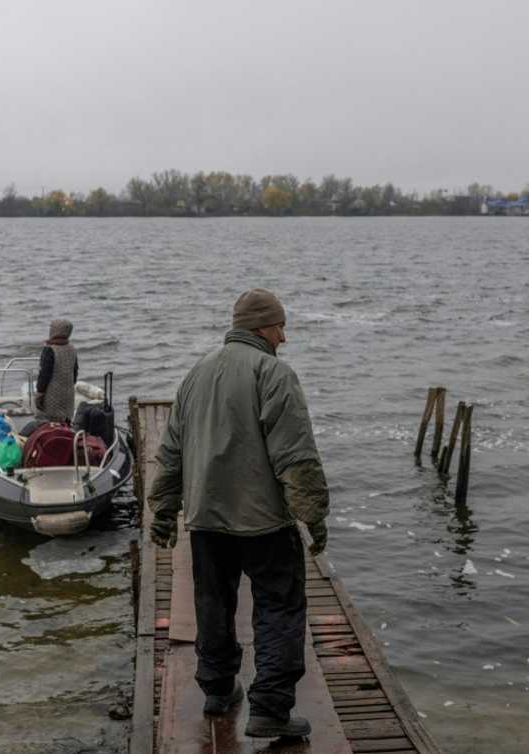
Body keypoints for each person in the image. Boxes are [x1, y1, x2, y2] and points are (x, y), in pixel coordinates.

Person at [147, 288, 330, 740]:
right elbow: (296, 456)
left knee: (213, 604)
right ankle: (269, 708)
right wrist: (314, 516)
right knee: (279, 607)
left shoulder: (196, 374)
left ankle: (217, 688)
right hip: (264, 520)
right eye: (280, 326)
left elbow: (169, 453)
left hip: (206, 518)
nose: (284, 337)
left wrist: (164, 511)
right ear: (262, 328)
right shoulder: (274, 373)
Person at [35, 319, 78, 423]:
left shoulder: (50, 349)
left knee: (50, 422)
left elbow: (44, 374)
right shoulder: (72, 348)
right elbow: (75, 372)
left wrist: (39, 393)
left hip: (52, 394)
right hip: (68, 392)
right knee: (66, 420)